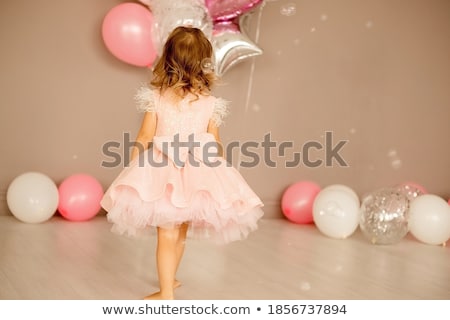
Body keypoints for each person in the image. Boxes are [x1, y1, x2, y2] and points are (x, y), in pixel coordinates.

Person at [100, 26, 264, 300]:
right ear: (203, 62)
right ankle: (170, 280)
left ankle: (166, 293)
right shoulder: (210, 102)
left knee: (167, 233)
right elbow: (215, 143)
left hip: (162, 172)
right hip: (199, 171)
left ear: (168, 58)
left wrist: (133, 167)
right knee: (181, 232)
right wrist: (217, 172)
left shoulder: (157, 97)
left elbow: (145, 136)